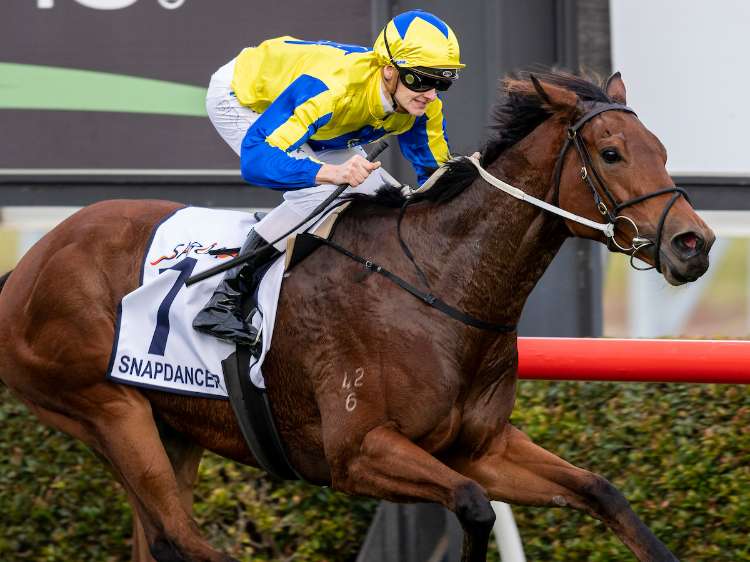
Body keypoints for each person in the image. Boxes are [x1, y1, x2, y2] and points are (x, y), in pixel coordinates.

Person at [194, 9, 464, 344]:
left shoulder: (423, 105)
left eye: (441, 82)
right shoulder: (332, 90)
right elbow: (256, 159)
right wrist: (330, 172)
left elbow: (436, 176)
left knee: (381, 195)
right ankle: (224, 299)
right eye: (420, 80)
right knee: (324, 194)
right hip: (245, 97)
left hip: (322, 123)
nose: (430, 94)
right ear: (389, 70)